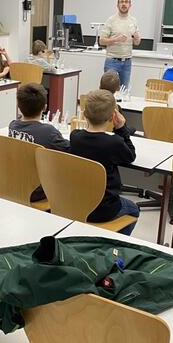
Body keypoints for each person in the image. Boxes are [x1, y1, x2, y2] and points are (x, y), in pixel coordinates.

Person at [70, 89, 139, 235]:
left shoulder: (74, 137)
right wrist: (121, 129)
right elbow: (131, 155)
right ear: (112, 116)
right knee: (133, 209)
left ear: (84, 113)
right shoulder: (114, 142)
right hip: (103, 210)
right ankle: (112, 242)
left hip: (77, 203)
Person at [9, 83, 69, 202]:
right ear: (45, 107)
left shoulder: (13, 126)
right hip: (38, 191)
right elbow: (69, 150)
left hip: (13, 185)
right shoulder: (49, 132)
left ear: (18, 106)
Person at [99, 0, 141, 89]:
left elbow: (137, 43)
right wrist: (116, 39)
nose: (124, 4)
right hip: (112, 61)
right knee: (108, 90)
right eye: (121, 2)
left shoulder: (133, 21)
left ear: (130, 5)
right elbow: (101, 41)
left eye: (126, 2)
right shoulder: (111, 20)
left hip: (127, 62)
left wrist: (136, 37)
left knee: (123, 90)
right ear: (117, 5)